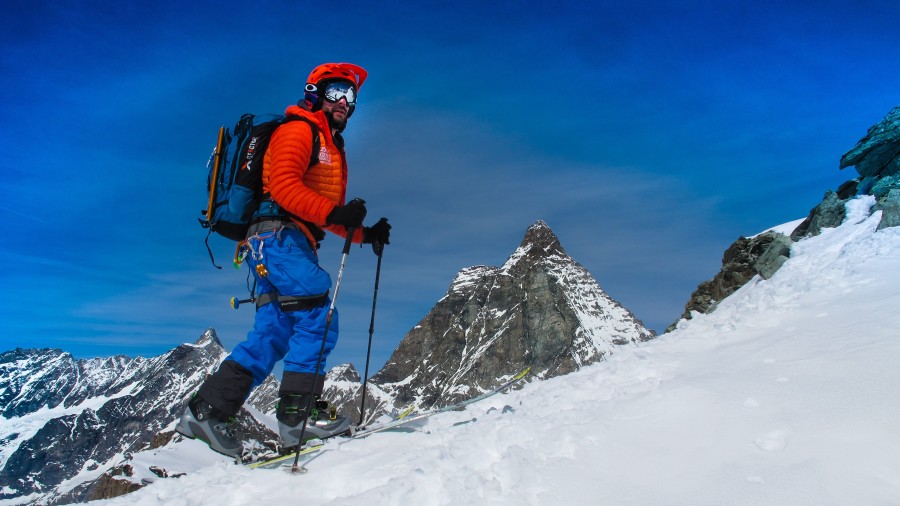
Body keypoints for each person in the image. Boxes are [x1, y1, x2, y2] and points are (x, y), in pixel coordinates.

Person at [176, 62, 391, 458]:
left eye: (352, 95)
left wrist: (364, 234)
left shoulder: (328, 144)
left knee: (273, 331)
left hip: (271, 242)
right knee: (318, 316)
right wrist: (333, 215)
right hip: (280, 238)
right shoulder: (299, 130)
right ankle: (298, 420)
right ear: (316, 93)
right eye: (337, 91)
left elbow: (321, 211)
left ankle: (205, 412)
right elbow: (284, 188)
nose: (345, 100)